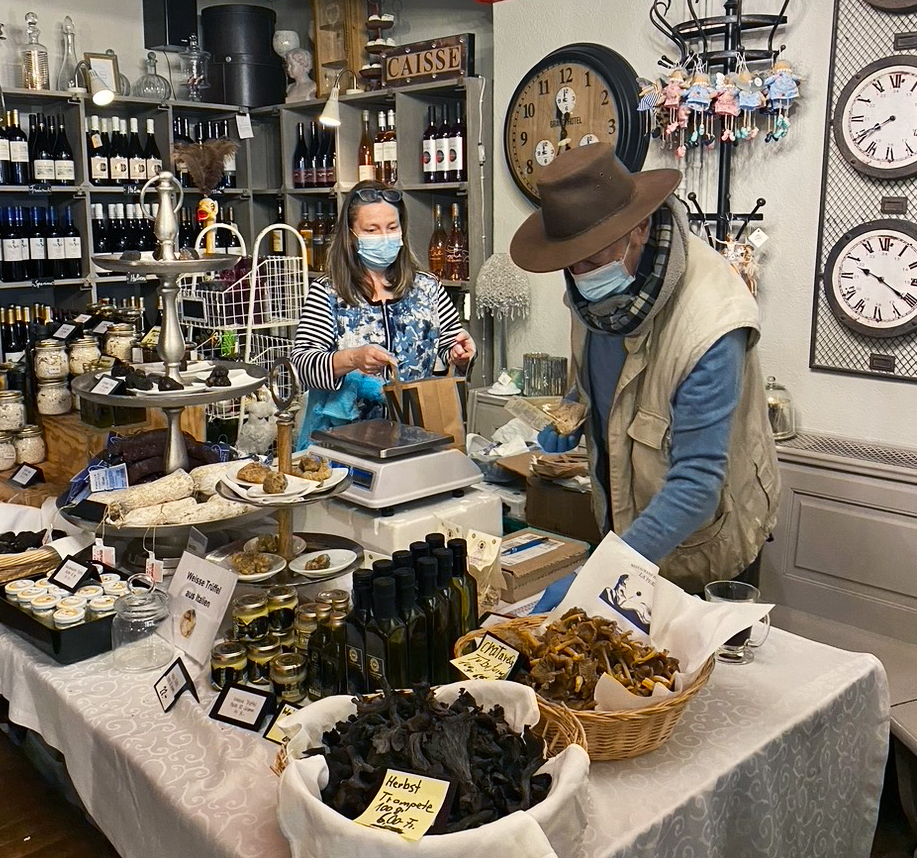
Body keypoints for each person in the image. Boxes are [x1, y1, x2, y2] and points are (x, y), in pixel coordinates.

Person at [509, 143, 780, 596]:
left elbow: (697, 485)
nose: (581, 274)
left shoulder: (712, 321)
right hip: (625, 531)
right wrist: (574, 411)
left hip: (703, 550)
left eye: (593, 259)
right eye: (570, 262)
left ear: (638, 228)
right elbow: (604, 380)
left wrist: (601, 574)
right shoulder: (592, 299)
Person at [291, 185, 475, 442]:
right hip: (347, 440)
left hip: (416, 435)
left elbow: (449, 347)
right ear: (351, 235)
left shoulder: (428, 288)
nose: (385, 237)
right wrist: (352, 358)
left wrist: (461, 353)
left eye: (392, 227)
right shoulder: (328, 292)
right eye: (372, 230)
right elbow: (303, 365)